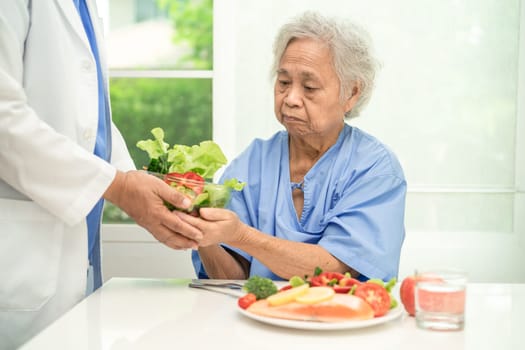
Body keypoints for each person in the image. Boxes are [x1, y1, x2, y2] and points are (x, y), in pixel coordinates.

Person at [0, 2, 201, 349]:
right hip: (21, 258)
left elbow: (88, 120)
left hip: (73, 251)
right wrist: (119, 186)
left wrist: (136, 185)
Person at [177, 11, 406, 282]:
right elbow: (230, 279)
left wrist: (241, 235)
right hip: (255, 320)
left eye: (309, 87)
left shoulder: (375, 169)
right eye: (284, 82)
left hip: (339, 321)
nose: (291, 98)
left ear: (352, 93)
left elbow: (333, 272)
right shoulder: (252, 162)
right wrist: (201, 229)